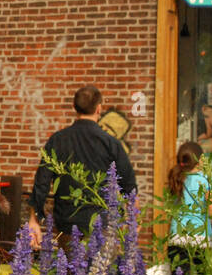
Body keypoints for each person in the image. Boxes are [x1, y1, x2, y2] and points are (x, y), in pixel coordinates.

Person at [28, 85, 137, 249]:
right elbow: (129, 188)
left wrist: (34, 220)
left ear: (74, 107)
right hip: (104, 226)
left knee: (69, 273)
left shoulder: (57, 140)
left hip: (67, 226)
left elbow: (41, 182)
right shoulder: (111, 143)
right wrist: (133, 221)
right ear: (99, 108)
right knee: (101, 274)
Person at [167, 140, 212, 275]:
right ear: (200, 159)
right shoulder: (204, 181)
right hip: (200, 238)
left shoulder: (176, 178)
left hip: (177, 237)